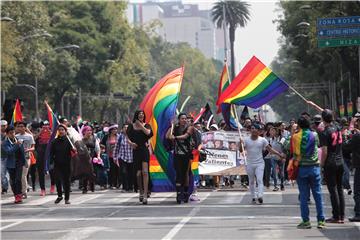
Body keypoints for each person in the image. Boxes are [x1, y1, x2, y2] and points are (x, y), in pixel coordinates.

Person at [290, 116, 325, 229]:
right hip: (314, 168)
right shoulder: (314, 135)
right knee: (318, 195)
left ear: (299, 125)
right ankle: (321, 221)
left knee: (304, 197)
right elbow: (318, 146)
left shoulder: (295, 137)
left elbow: (292, 151)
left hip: (302, 169)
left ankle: (306, 221)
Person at [240, 123, 285, 204]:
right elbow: (241, 149)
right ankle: (253, 196)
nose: (253, 130)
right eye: (252, 128)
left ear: (259, 131)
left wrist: (279, 154)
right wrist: (240, 143)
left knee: (259, 179)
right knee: (251, 181)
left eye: (255, 128)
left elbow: (270, 150)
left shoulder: (262, 140)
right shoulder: (246, 140)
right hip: (249, 163)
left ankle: (260, 196)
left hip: (260, 163)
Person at [320, 109, 345, 224]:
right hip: (340, 162)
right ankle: (341, 215)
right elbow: (328, 115)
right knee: (339, 189)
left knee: (333, 190)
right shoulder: (337, 127)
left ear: (323, 119)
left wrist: (321, 164)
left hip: (330, 162)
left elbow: (324, 151)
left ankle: (336, 216)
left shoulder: (325, 132)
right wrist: (315, 105)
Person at [166, 112, 195, 204]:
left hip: (186, 154)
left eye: (185, 118)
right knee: (178, 173)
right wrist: (171, 126)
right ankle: (178, 193)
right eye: (182, 118)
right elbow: (167, 136)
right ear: (179, 119)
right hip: (177, 154)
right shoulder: (176, 127)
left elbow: (186, 136)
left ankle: (185, 193)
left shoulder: (190, 127)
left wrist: (175, 137)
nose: (184, 120)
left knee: (186, 173)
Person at [127, 110, 153, 204]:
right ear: (136, 116)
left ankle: (145, 194)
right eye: (139, 114)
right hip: (136, 151)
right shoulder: (131, 126)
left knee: (145, 172)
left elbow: (148, 133)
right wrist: (131, 143)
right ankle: (141, 191)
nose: (141, 115)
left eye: (142, 114)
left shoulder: (146, 125)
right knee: (138, 174)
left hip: (144, 150)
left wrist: (141, 125)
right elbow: (127, 137)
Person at [50, 124, 73, 204]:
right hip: (57, 164)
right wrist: (50, 163)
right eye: (59, 130)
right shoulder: (54, 142)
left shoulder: (69, 141)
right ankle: (60, 196)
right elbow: (51, 153)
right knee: (58, 180)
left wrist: (74, 150)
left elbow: (74, 152)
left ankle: (67, 198)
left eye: (62, 130)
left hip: (67, 163)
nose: (61, 131)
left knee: (66, 181)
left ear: (65, 131)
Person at [2, 126, 26, 203]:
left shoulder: (18, 140)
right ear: (7, 134)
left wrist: (25, 162)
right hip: (10, 164)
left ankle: (19, 195)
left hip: (19, 163)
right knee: (13, 181)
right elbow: (9, 152)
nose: (12, 134)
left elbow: (22, 152)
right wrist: (16, 145)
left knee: (18, 179)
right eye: (10, 133)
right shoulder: (5, 143)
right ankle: (16, 195)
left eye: (13, 132)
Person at [15, 121, 35, 199]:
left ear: (25, 128)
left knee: (23, 175)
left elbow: (33, 147)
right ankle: (19, 191)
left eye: (22, 126)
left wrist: (28, 149)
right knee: (18, 176)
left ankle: (24, 192)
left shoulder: (29, 136)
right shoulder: (16, 136)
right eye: (19, 126)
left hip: (27, 158)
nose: (20, 128)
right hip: (17, 158)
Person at [114, 123, 134, 192]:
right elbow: (116, 147)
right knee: (123, 172)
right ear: (122, 129)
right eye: (124, 127)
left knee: (131, 173)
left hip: (131, 158)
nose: (126, 129)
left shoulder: (133, 136)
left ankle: (131, 187)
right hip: (122, 157)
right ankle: (125, 187)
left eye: (127, 127)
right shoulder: (120, 137)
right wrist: (115, 157)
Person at [35, 121, 53, 196]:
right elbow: (34, 139)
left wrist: (50, 132)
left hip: (50, 153)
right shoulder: (38, 133)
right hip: (40, 153)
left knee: (52, 170)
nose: (45, 127)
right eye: (44, 125)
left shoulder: (52, 133)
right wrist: (40, 132)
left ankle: (53, 185)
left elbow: (55, 138)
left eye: (47, 125)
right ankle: (43, 189)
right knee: (40, 171)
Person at [101, 124, 120, 189]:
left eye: (116, 129)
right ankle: (110, 183)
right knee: (110, 170)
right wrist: (103, 148)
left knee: (117, 170)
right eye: (114, 129)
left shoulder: (118, 136)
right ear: (111, 130)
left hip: (117, 156)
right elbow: (101, 144)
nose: (115, 130)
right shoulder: (106, 137)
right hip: (108, 156)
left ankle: (116, 183)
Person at [349, 116, 360, 222]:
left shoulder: (357, 136)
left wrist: (348, 134)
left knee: (357, 191)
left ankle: (358, 213)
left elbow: (347, 146)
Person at [82, 125, 99, 193]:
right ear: (84, 132)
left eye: (90, 130)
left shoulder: (94, 139)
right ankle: (85, 188)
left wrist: (98, 156)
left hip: (93, 158)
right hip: (84, 158)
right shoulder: (81, 140)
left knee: (92, 172)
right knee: (85, 173)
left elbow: (97, 149)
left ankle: (92, 186)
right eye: (87, 130)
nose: (89, 132)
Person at [1, 120, 9, 194]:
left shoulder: (10, 134)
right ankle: (4, 188)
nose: (3, 127)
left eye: (5, 126)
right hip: (1, 157)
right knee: (2, 173)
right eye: (2, 126)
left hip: (9, 156)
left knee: (9, 174)